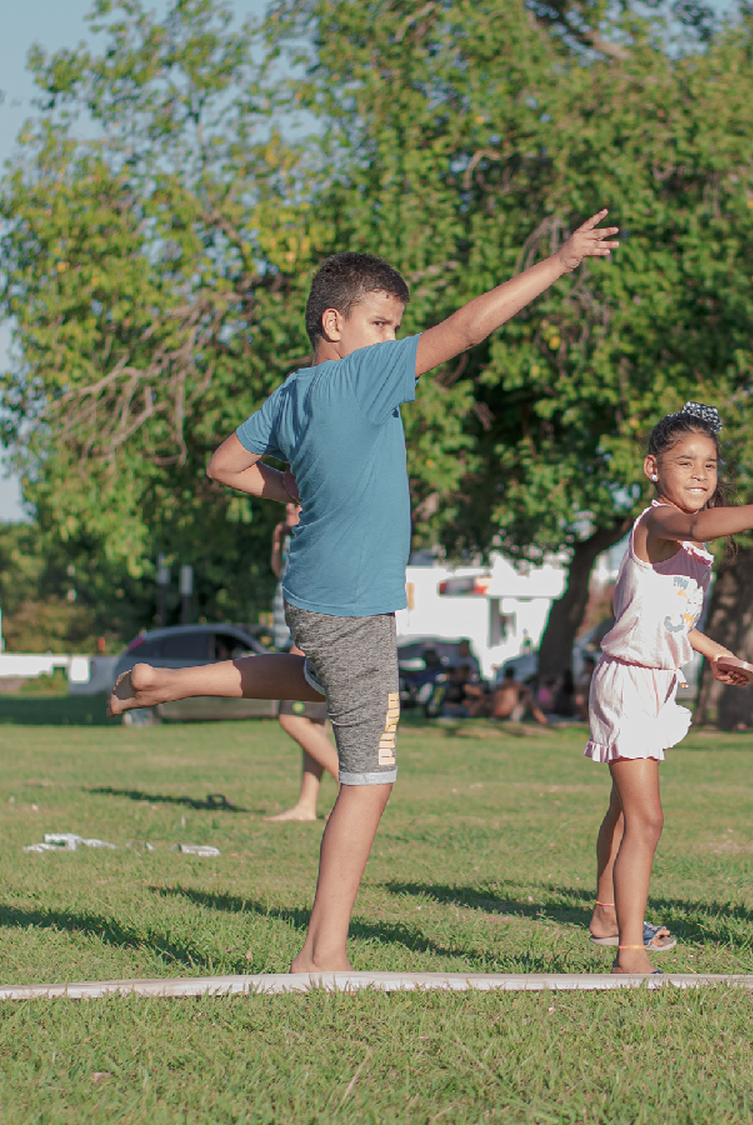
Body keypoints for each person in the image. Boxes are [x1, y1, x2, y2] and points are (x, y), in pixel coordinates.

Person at [108, 210, 619, 972]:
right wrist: (561, 262)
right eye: (381, 323)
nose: (393, 339)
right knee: (369, 780)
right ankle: (324, 953)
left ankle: (169, 682)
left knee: (316, 677)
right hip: (350, 602)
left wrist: (291, 485)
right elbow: (469, 329)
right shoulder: (364, 371)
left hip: (312, 591)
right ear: (334, 322)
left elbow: (222, 463)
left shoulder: (293, 391)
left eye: (396, 327)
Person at [585, 402, 753, 974]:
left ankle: (608, 913)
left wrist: (715, 653)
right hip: (629, 682)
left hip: (659, 683)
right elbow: (693, 522)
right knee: (647, 819)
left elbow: (671, 620)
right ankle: (629, 953)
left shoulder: (691, 551)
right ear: (651, 468)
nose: (699, 475)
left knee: (623, 808)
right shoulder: (662, 523)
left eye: (710, 465)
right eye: (684, 462)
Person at [266, 502, 340, 823]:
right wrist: (277, 542)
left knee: (290, 719)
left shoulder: (314, 538)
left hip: (304, 642)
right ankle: (306, 806)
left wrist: (302, 645)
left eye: (295, 502)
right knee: (313, 726)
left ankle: (354, 786)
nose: (287, 505)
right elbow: (277, 573)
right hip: (290, 638)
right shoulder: (292, 539)